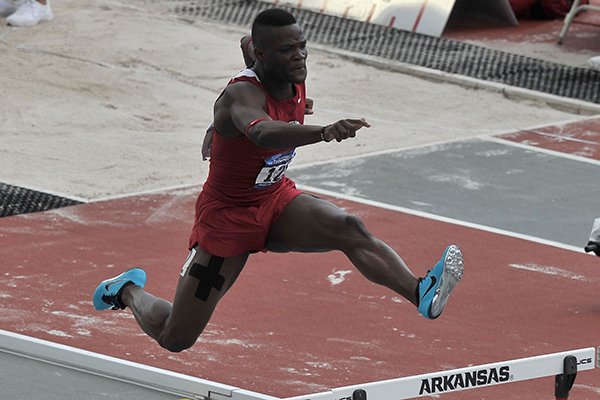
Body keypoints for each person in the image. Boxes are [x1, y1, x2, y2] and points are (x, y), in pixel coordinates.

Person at [93, 8, 464, 353]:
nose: (300, 56)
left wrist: (222, 125)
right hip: (228, 218)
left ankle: (421, 292)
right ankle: (126, 290)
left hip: (274, 199)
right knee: (177, 337)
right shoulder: (241, 96)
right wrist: (324, 131)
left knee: (349, 227)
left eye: (302, 46)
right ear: (263, 54)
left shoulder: (285, 69)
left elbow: (248, 47)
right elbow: (263, 134)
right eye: (287, 50)